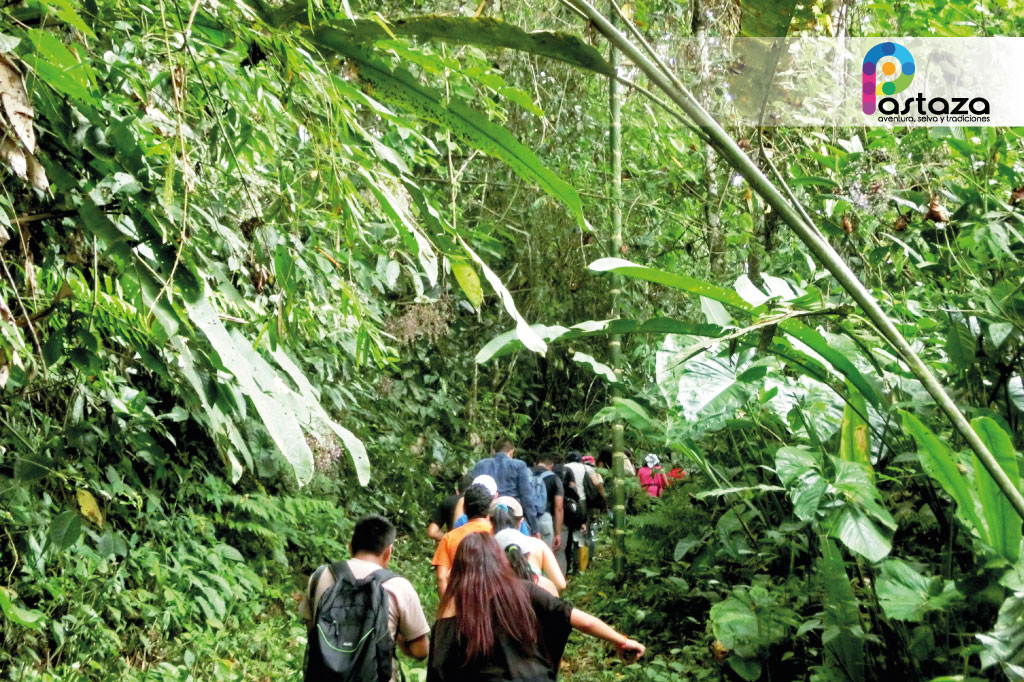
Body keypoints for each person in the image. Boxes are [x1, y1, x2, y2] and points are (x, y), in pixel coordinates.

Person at [426, 532, 645, 682]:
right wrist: (622, 641)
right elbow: (581, 620)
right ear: (499, 560)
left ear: (459, 569)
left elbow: (439, 669)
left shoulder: (450, 614)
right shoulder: (524, 591)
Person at [300, 514, 429, 682]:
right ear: (388, 552)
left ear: (350, 547)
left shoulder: (319, 577)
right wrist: (390, 634)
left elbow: (313, 630)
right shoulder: (399, 586)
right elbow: (421, 651)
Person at [470, 438, 541, 537]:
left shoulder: (480, 465)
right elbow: (526, 498)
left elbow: (473, 493)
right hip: (511, 516)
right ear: (512, 453)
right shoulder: (519, 465)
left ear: (493, 452)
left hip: (486, 516)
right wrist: (535, 528)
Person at [431, 483, 493, 596]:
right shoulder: (496, 534)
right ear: (489, 510)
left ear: (463, 509)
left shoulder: (449, 538)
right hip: (489, 598)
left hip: (459, 599)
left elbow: (441, 578)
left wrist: (447, 604)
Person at [490, 504, 566, 595]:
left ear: (490, 524)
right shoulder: (538, 544)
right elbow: (560, 585)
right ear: (520, 522)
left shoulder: (488, 549)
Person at [427, 472, 474, 542]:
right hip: (473, 545)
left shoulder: (447, 501)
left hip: (452, 545)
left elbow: (432, 532)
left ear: (457, 491)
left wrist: (449, 539)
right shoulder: (478, 503)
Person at [531, 452, 564, 552]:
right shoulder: (555, 479)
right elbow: (559, 508)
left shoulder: (525, 474)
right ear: (551, 465)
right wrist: (558, 534)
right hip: (545, 519)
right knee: (545, 555)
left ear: (536, 463)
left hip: (527, 519)